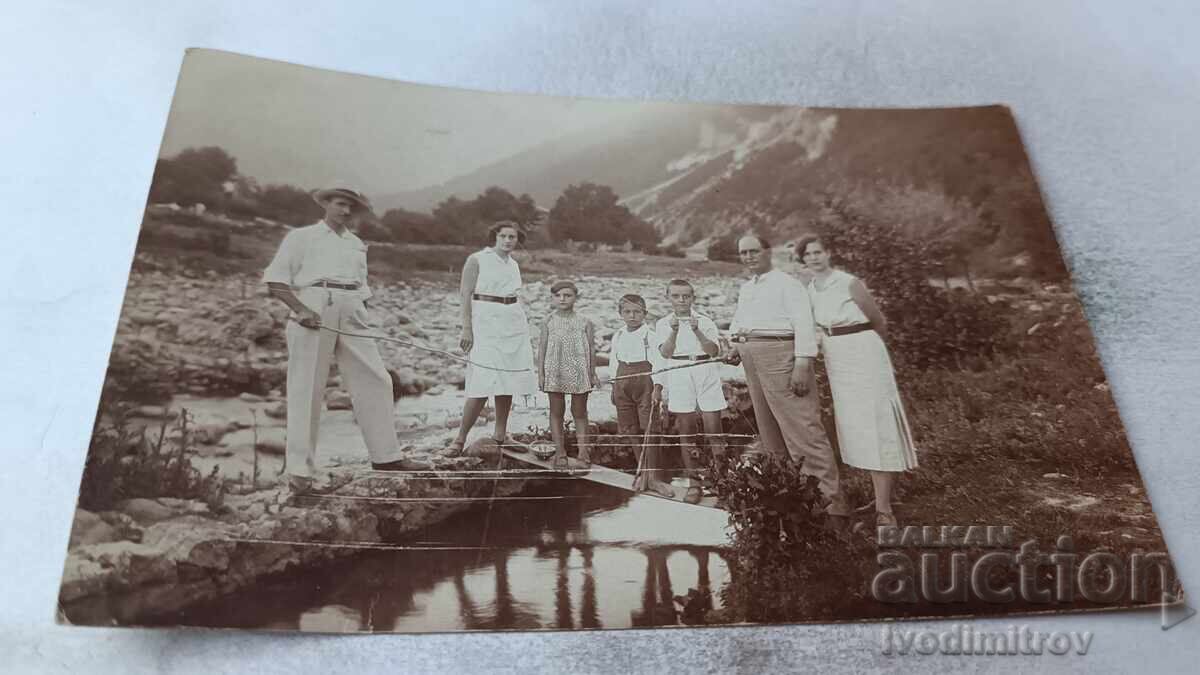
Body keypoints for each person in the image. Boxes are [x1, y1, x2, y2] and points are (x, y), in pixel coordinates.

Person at [262, 183, 408, 494]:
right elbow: (276, 280)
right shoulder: (301, 237)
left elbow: (362, 286)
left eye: (351, 207)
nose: (345, 211)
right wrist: (300, 309)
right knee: (307, 386)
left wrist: (361, 313)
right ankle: (300, 472)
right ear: (326, 204)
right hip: (315, 304)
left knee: (377, 378)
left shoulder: (356, 244)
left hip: (352, 307)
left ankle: (386, 457)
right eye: (340, 204)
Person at [797, 234, 919, 526]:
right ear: (802, 261)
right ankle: (878, 499)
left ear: (828, 253)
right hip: (836, 357)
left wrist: (864, 348)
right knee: (857, 427)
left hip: (863, 351)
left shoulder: (848, 282)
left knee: (878, 423)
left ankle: (885, 508)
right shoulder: (810, 288)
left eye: (818, 251)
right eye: (808, 254)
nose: (814, 257)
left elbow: (879, 322)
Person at [728, 234, 850, 525]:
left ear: (768, 251)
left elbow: (804, 326)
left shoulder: (788, 284)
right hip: (751, 358)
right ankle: (793, 502)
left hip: (781, 357)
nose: (748, 257)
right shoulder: (747, 288)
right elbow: (741, 323)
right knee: (770, 435)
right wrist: (734, 346)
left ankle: (833, 509)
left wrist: (802, 364)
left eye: (754, 251)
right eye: (743, 253)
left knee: (804, 430)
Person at [447, 221, 538, 454]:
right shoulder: (477, 259)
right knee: (482, 379)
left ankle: (500, 434)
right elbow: (465, 293)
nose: (508, 240)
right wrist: (466, 328)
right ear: (495, 237)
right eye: (504, 236)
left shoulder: (513, 265)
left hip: (512, 320)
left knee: (507, 379)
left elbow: (513, 294)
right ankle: (459, 440)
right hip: (485, 321)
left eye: (513, 237)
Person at [654, 279, 726, 504]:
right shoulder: (663, 323)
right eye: (676, 296)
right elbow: (665, 354)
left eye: (686, 296)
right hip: (679, 371)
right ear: (669, 298)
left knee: (714, 429)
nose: (681, 300)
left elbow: (714, 351)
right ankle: (694, 484)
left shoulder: (705, 321)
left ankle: (722, 483)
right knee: (686, 431)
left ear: (693, 298)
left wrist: (697, 331)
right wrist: (674, 332)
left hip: (705, 369)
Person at [606, 294, 672, 497]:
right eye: (627, 312)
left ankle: (656, 478)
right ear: (620, 314)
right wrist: (613, 386)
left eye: (637, 312)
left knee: (650, 429)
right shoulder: (618, 335)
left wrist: (658, 388)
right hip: (622, 380)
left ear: (645, 313)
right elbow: (612, 361)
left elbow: (660, 363)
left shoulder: (650, 336)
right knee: (632, 429)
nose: (632, 316)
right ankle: (643, 473)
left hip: (645, 382)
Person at [538, 280, 598, 471]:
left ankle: (583, 452)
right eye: (558, 296)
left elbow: (591, 350)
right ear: (552, 298)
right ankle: (560, 452)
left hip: (579, 371)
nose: (562, 299)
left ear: (575, 297)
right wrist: (541, 374)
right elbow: (542, 349)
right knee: (556, 412)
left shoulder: (585, 322)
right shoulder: (548, 321)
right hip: (555, 370)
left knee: (579, 412)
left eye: (567, 295)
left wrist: (592, 372)